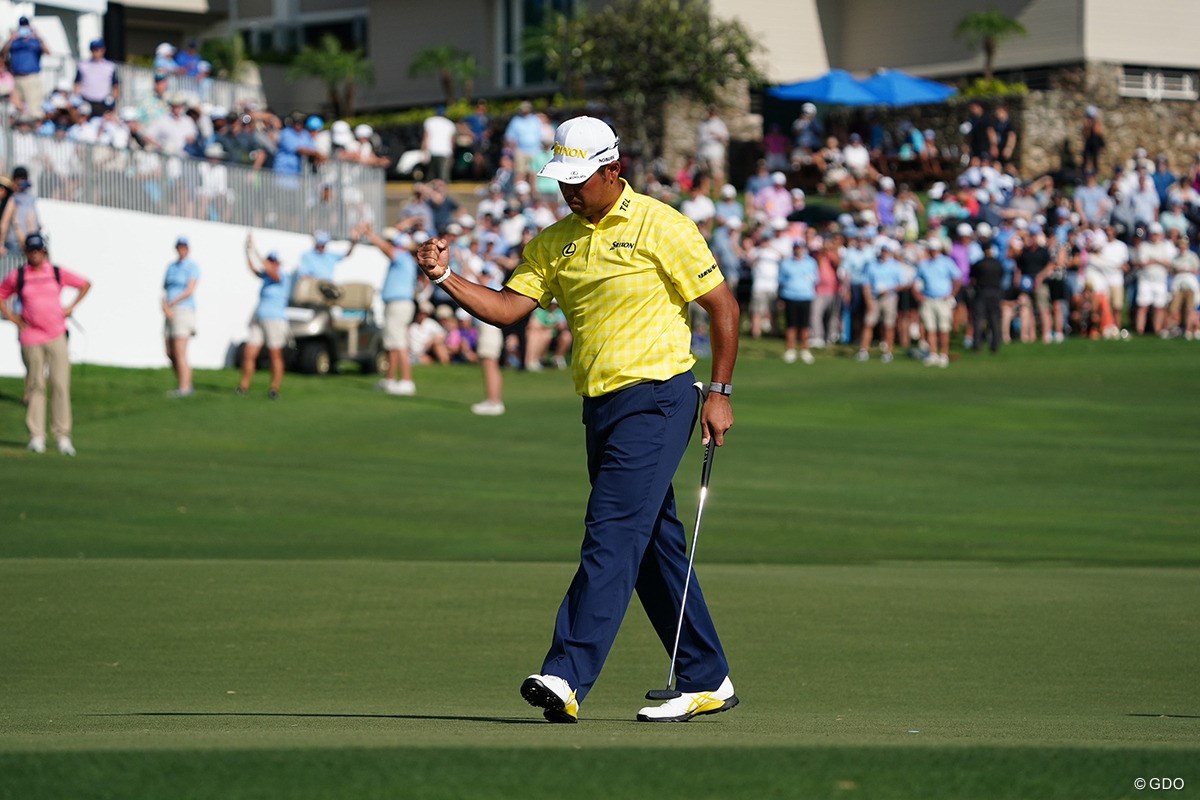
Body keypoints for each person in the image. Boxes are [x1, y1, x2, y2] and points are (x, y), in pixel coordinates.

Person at [416, 115, 740, 724]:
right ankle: (706, 675)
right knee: (650, 544)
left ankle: (565, 674)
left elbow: (722, 305)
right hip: (602, 407)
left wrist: (719, 391)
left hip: (661, 396)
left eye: (580, 178)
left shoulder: (660, 225)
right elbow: (510, 309)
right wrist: (445, 276)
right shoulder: (554, 240)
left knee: (612, 531)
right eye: (562, 179)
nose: (569, 190)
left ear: (613, 170)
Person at [0, 233, 91, 455]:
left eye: (38, 250)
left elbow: (85, 284)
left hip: (57, 334)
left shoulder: (56, 272)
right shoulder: (19, 275)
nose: (35, 254)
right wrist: (13, 318)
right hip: (31, 336)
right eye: (31, 251)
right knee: (36, 385)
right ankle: (37, 436)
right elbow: (2, 295)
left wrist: (70, 308)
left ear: (44, 251)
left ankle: (63, 436)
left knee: (60, 384)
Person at [357, 223, 419, 395]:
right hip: (396, 304)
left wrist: (371, 235)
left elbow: (386, 248)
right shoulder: (405, 259)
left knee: (399, 344)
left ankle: (407, 381)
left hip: (398, 304)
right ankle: (390, 380)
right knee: (392, 343)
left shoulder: (403, 257)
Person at [238, 235, 290, 399]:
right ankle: (244, 386)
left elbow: (267, 269)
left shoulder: (282, 276)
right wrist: (248, 251)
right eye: (270, 260)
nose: (271, 263)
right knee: (249, 352)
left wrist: (256, 250)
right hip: (259, 317)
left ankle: (274, 388)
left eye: (274, 260)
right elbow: (254, 268)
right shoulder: (267, 277)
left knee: (275, 353)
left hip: (275, 319)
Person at [162, 236, 200, 397]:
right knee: (169, 351)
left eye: (184, 247)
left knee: (180, 351)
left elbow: (190, 290)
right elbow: (164, 290)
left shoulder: (192, 267)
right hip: (170, 312)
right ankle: (184, 383)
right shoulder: (171, 267)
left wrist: (173, 303)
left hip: (184, 310)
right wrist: (165, 307)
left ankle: (185, 388)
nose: (182, 249)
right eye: (179, 246)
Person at [915, 237, 960, 367]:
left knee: (943, 328)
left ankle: (944, 354)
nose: (933, 252)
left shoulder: (947, 262)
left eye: (935, 250)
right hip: (928, 299)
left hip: (943, 300)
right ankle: (933, 354)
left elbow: (957, 279)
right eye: (931, 250)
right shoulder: (923, 264)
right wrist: (919, 296)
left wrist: (951, 294)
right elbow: (916, 281)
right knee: (930, 329)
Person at [778, 240, 818, 364]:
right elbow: (781, 281)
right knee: (791, 325)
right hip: (790, 296)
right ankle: (791, 349)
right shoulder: (786, 263)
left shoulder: (811, 262)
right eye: (796, 247)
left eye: (800, 247)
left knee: (805, 325)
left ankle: (805, 350)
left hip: (805, 296)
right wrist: (780, 298)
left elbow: (815, 279)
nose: (798, 250)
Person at [3, 17, 49, 118]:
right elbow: (3, 53)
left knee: (34, 111)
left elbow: (48, 52)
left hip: (31, 78)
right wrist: (11, 38)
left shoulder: (35, 41)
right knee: (17, 110)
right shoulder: (14, 41)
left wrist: (38, 36)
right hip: (17, 78)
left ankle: (34, 132)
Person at [74, 39, 119, 116]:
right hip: (86, 100)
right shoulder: (83, 65)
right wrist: (77, 97)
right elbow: (77, 83)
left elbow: (115, 86)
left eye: (99, 49)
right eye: (95, 50)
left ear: (103, 50)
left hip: (103, 102)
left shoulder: (110, 67)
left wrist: (114, 101)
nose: (97, 52)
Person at [422, 105, 457, 182]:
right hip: (445, 152)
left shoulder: (429, 121)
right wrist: (452, 155)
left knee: (431, 177)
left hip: (432, 150)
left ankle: (430, 192)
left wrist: (423, 152)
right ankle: (443, 193)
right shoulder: (450, 124)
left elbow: (426, 138)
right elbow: (452, 142)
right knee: (443, 177)